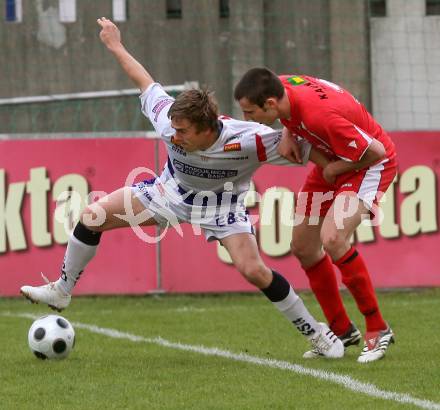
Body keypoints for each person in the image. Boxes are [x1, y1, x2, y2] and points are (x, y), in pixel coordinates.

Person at [20, 18, 344, 359]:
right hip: (169, 194)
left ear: (208, 129)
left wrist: (337, 166)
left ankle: (317, 334)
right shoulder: (168, 120)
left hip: (222, 208)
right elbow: (143, 80)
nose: (173, 136)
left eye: (183, 132)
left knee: (254, 270)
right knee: (92, 215)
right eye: (173, 129)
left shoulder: (249, 140)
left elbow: (310, 146)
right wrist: (115, 45)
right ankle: (62, 290)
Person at [234, 68, 397, 363]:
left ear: (269, 104)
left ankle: (378, 328)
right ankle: (342, 330)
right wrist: (287, 133)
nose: (247, 119)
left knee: (333, 239)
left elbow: (376, 151)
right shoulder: (280, 86)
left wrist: (334, 169)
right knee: (303, 247)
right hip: (336, 159)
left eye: (250, 112)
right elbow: (292, 102)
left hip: (369, 164)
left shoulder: (320, 117)